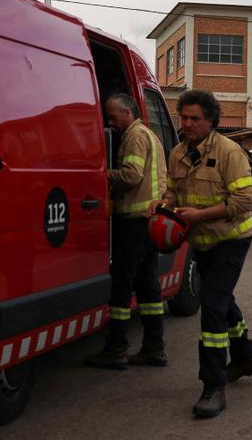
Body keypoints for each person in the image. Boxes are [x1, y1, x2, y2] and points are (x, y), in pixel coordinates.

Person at [157, 89, 252, 419]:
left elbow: (246, 201)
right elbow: (173, 189)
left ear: (211, 121)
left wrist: (199, 216)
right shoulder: (176, 154)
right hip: (201, 243)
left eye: (194, 119)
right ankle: (246, 358)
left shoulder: (230, 152)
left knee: (213, 307)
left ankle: (213, 385)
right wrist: (165, 205)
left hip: (231, 240)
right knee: (224, 299)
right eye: (183, 118)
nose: (186, 124)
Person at [85, 93, 168, 370]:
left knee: (122, 284)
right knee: (148, 286)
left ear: (128, 113)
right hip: (148, 222)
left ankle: (116, 348)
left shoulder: (134, 136)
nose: (110, 121)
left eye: (112, 116)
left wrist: (101, 174)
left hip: (133, 221)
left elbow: (131, 175)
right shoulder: (151, 135)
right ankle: (154, 347)